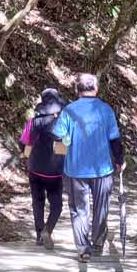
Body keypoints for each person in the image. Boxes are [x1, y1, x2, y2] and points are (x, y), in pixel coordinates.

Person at [51, 72, 122, 262]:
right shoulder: (106, 110)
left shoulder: (69, 111)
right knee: (101, 207)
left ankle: (83, 249)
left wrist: (67, 137)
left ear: (77, 90)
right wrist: (119, 159)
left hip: (75, 169)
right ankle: (98, 243)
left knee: (79, 210)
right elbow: (114, 138)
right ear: (96, 89)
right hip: (102, 169)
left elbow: (57, 135)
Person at [19, 87, 66, 247]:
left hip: (35, 169)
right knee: (57, 205)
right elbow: (68, 144)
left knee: (37, 202)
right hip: (55, 172)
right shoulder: (62, 123)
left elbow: (23, 143)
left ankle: (39, 235)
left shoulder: (33, 123)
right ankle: (48, 230)